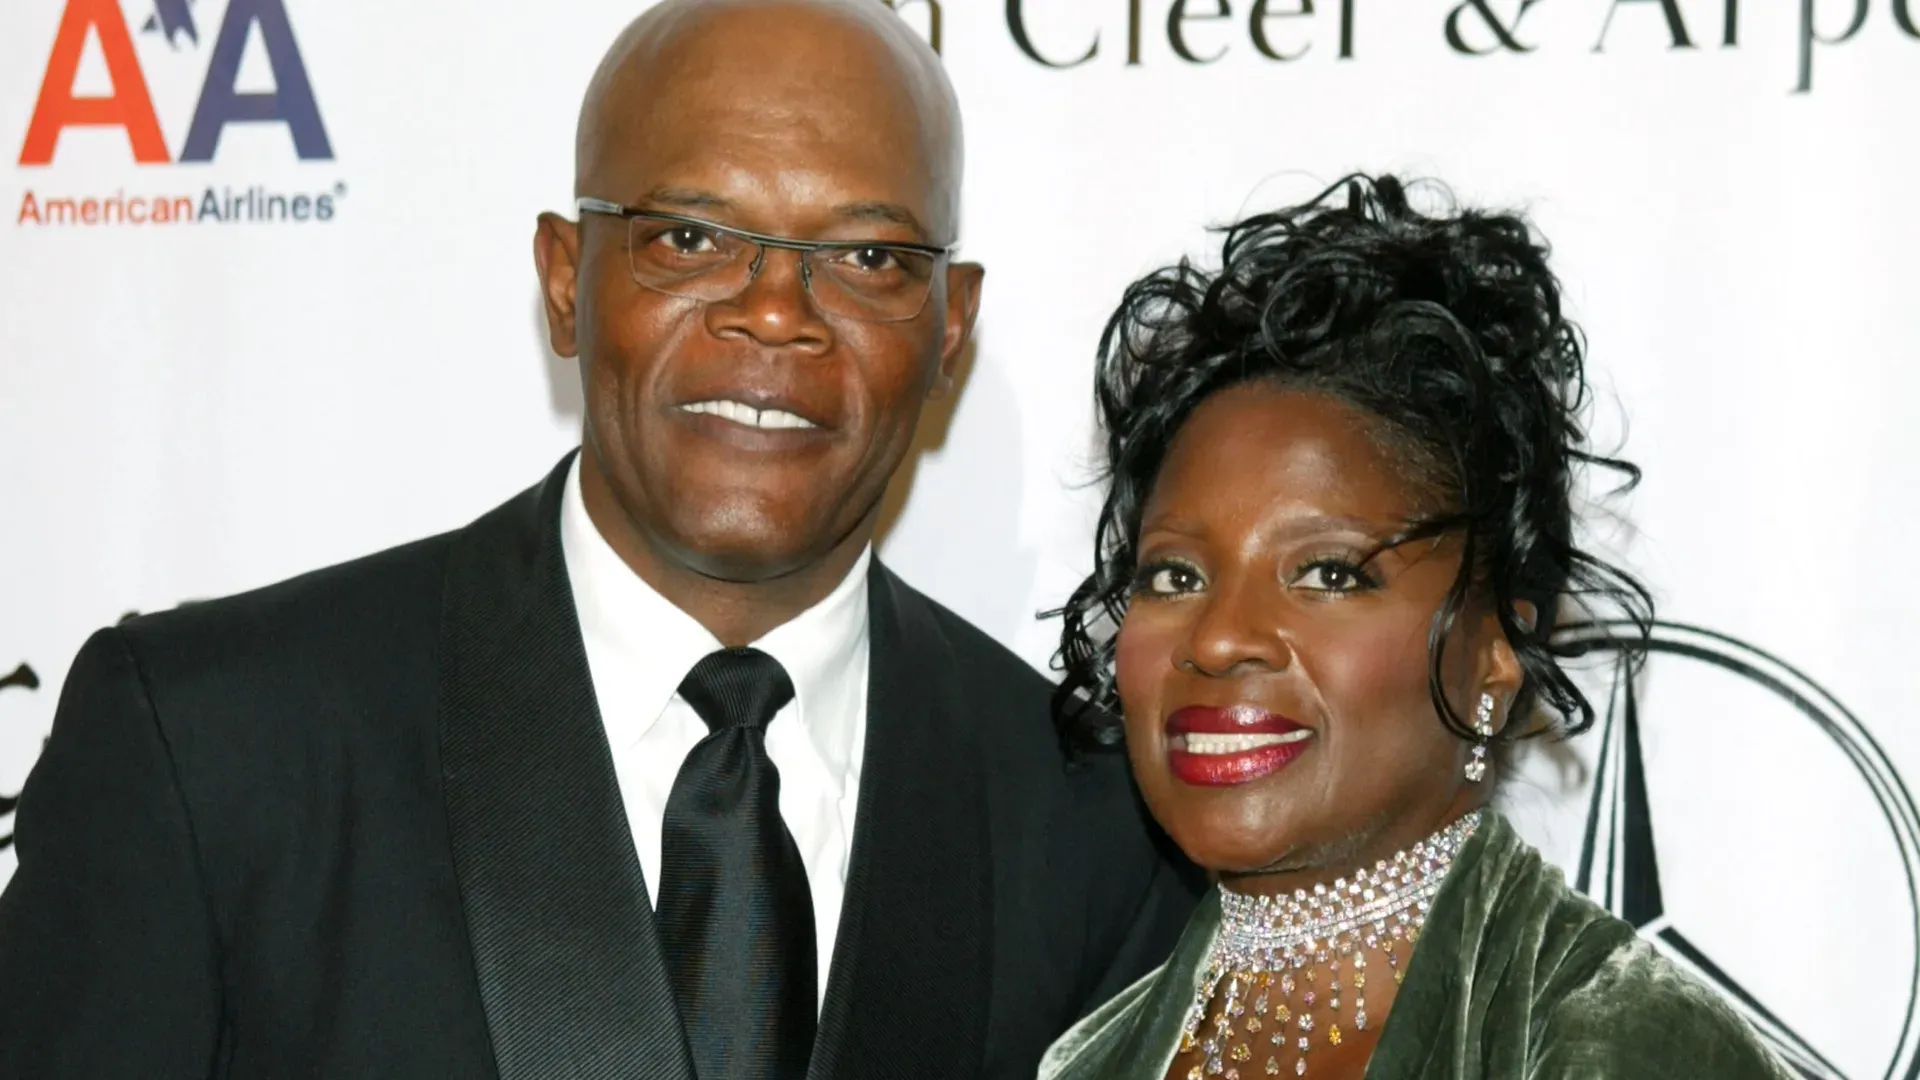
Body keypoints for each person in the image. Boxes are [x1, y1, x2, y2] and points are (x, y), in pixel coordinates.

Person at [0, 2, 1198, 1077]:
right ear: (567, 281)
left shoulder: (1091, 823)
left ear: (950, 328)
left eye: (869, 257)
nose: (774, 311)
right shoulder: (211, 744)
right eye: (690, 238)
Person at [1036, 175, 1791, 1080]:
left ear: (1494, 654)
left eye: (1328, 573)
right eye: (1175, 575)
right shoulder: (1088, 1059)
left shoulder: (1616, 1043)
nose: (1219, 638)